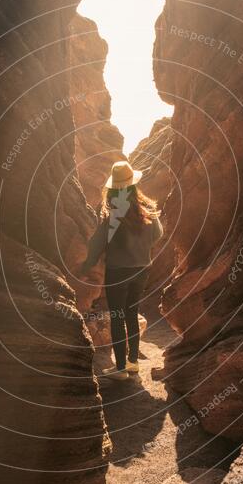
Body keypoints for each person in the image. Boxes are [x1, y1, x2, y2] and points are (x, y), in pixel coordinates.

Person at [80, 160, 163, 380]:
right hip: (142, 270)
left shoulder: (113, 215)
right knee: (131, 315)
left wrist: (85, 266)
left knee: (117, 317)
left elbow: (97, 245)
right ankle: (133, 364)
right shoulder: (147, 211)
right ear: (133, 185)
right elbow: (158, 235)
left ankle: (120, 370)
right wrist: (141, 247)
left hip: (118, 272)